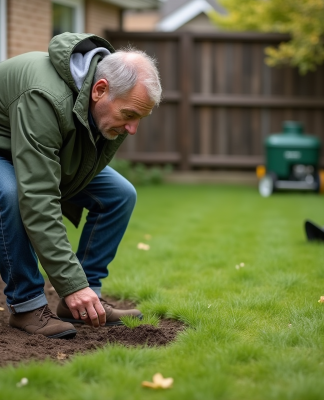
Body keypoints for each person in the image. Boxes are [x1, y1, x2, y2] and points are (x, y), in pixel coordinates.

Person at [0, 32, 162, 338]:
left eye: (140, 118)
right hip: (4, 149)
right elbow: (39, 198)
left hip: (37, 148)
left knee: (119, 194)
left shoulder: (99, 98)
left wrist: (78, 286)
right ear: (100, 89)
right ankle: (27, 306)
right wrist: (70, 282)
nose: (133, 128)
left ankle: (83, 301)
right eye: (129, 115)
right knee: (10, 194)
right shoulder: (44, 97)